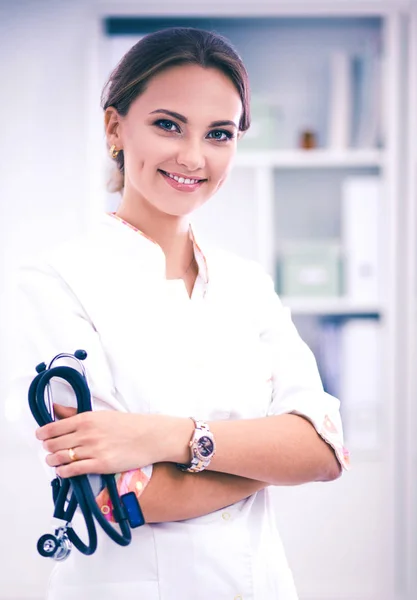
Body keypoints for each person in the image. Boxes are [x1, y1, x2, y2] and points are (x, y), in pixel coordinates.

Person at [8, 27, 350, 600]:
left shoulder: (249, 286)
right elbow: (123, 498)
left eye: (219, 134)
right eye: (168, 125)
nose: (194, 157)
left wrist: (169, 437)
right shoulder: (53, 285)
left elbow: (322, 451)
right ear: (115, 128)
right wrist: (268, 456)